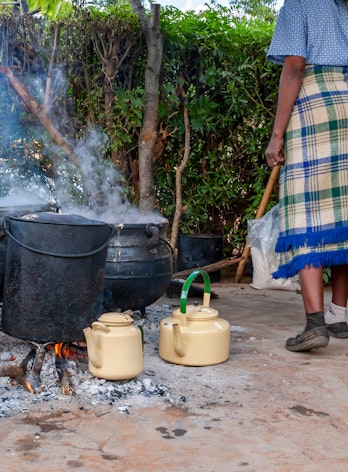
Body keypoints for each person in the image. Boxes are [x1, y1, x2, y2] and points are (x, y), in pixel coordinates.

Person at [265, 0, 348, 352]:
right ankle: (339, 314)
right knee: (344, 213)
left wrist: (277, 134)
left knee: (307, 213)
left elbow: (295, 68)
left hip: (316, 107)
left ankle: (315, 323)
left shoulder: (300, 4)